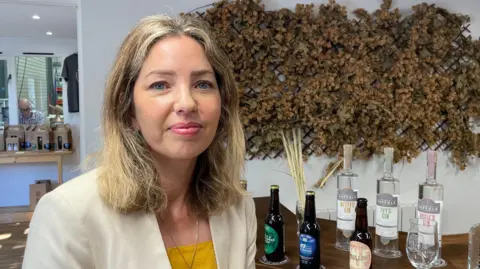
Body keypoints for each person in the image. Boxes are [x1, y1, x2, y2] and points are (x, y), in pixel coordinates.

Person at [22, 14, 257, 269]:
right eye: (160, 85)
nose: (187, 103)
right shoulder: (66, 215)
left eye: (202, 84)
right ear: (128, 109)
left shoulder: (239, 207)